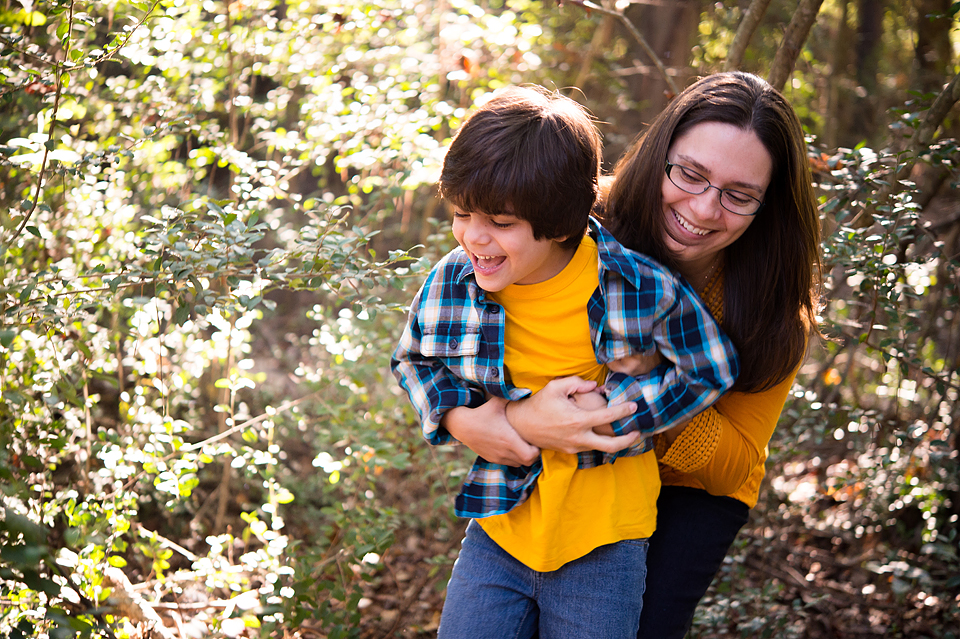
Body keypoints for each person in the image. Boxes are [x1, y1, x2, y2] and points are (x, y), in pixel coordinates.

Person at [440, 72, 823, 639]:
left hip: (694, 490)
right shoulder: (581, 221)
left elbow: (738, 464)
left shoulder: (770, 308)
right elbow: (472, 306)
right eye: (690, 174)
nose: (703, 207)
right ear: (660, 155)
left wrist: (656, 382)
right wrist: (501, 420)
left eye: (738, 196)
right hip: (564, 459)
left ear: (766, 207)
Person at [391, 85, 740, 638]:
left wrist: (613, 417)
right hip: (500, 526)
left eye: (500, 223)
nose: (473, 237)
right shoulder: (455, 279)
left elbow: (710, 367)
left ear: (557, 221)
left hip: (604, 543)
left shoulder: (632, 284)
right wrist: (461, 418)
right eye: (462, 214)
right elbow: (413, 359)